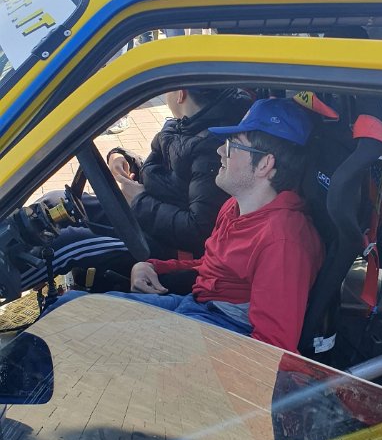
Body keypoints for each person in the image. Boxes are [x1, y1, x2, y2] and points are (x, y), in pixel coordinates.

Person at [47, 98, 324, 355]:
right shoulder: (237, 206)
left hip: (221, 334)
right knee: (66, 309)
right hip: (197, 306)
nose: (220, 151)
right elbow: (211, 265)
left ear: (264, 164)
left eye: (232, 145)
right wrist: (154, 266)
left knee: (66, 329)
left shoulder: (283, 242)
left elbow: (271, 350)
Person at [20, 87, 252, 293]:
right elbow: (164, 174)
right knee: (55, 202)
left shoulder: (211, 148)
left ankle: (11, 282)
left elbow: (198, 230)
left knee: (70, 243)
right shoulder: (183, 125)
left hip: (168, 247)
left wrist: (139, 201)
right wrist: (123, 157)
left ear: (180, 94)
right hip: (145, 215)